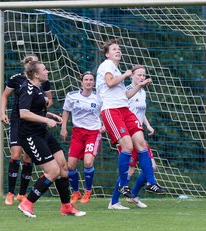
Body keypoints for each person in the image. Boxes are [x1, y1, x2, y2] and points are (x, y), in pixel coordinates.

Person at [95, 39, 164, 210]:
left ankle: (151, 183)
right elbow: (111, 82)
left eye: (119, 49)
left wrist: (139, 85)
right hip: (112, 111)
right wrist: (126, 75)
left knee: (140, 143)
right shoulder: (106, 65)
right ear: (107, 53)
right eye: (114, 49)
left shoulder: (116, 68)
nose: (118, 51)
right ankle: (123, 186)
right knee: (127, 146)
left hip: (124, 109)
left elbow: (126, 95)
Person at [17, 60, 85, 218]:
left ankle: (66, 207)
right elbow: (24, 113)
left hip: (41, 132)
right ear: (35, 74)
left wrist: (51, 115)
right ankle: (27, 203)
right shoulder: (27, 88)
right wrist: (47, 121)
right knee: (53, 171)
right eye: (44, 69)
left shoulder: (38, 88)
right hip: (30, 135)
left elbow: (36, 111)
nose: (47, 72)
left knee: (63, 166)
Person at [1, 54, 53, 205]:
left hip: (34, 123)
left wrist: (42, 110)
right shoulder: (17, 78)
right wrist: (2, 113)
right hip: (18, 120)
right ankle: (10, 192)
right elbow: (5, 95)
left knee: (29, 156)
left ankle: (22, 194)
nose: (31, 63)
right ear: (25, 65)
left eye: (35, 62)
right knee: (16, 153)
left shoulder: (43, 81)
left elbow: (49, 100)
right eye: (29, 61)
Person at [111, 64, 158, 209]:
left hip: (139, 135)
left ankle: (134, 196)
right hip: (128, 135)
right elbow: (122, 112)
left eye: (143, 75)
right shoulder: (126, 91)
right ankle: (113, 202)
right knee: (129, 170)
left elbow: (139, 113)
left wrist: (148, 125)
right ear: (131, 76)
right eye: (139, 75)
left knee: (151, 166)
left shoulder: (142, 92)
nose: (142, 77)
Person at [60, 71, 103, 204]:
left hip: (93, 133)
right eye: (86, 80)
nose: (89, 82)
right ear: (81, 82)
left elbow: (104, 113)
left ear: (94, 82)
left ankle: (88, 191)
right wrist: (63, 127)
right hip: (77, 133)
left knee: (88, 162)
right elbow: (66, 111)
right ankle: (76, 192)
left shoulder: (98, 99)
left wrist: (104, 126)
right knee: (70, 165)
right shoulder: (72, 96)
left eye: (91, 80)